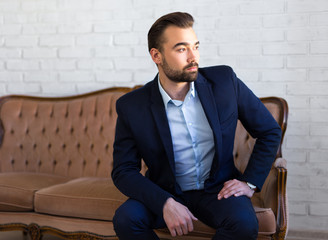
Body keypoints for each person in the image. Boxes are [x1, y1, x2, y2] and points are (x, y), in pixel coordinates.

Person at [111, 12, 282, 240]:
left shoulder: (224, 82)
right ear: (156, 56)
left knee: (243, 223)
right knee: (126, 219)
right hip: (166, 191)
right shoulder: (132, 106)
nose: (194, 57)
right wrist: (164, 203)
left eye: (196, 46)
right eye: (181, 49)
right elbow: (123, 171)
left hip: (218, 190)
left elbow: (269, 131)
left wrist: (249, 183)